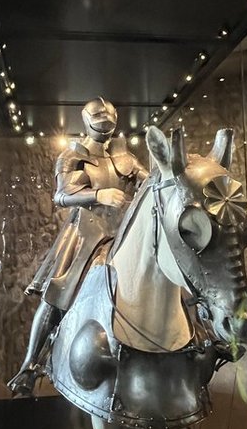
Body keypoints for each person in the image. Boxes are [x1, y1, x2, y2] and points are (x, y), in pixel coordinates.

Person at [9, 97, 148, 395]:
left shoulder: (126, 156)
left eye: (111, 114)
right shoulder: (73, 155)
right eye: (99, 115)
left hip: (124, 230)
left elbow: (148, 183)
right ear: (85, 119)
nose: (106, 119)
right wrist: (98, 196)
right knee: (57, 294)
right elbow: (62, 195)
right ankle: (29, 367)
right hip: (86, 232)